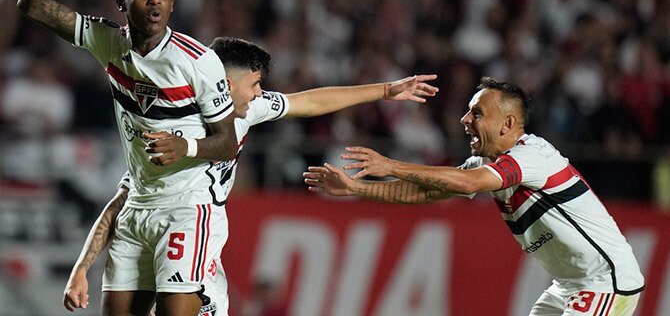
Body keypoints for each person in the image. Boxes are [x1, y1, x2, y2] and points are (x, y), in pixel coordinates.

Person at [62, 37, 439, 314]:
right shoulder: (169, 118)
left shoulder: (249, 109)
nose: (260, 93)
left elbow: (310, 101)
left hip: (196, 235)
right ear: (222, 85)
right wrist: (82, 267)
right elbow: (127, 195)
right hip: (158, 229)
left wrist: (387, 90)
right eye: (254, 84)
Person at [18, 0, 239, 315]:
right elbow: (35, 7)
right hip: (137, 205)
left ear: (172, 1)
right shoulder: (108, 41)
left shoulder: (199, 62)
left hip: (186, 207)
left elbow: (227, 141)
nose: (155, 1)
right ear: (121, 3)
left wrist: (184, 145)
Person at [304, 76, 645, 315]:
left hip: (604, 281)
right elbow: (426, 193)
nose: (465, 119)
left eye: (477, 113)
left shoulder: (532, 156)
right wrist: (356, 189)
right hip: (569, 284)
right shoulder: (485, 161)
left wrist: (390, 164)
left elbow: (468, 184)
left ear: (507, 124)